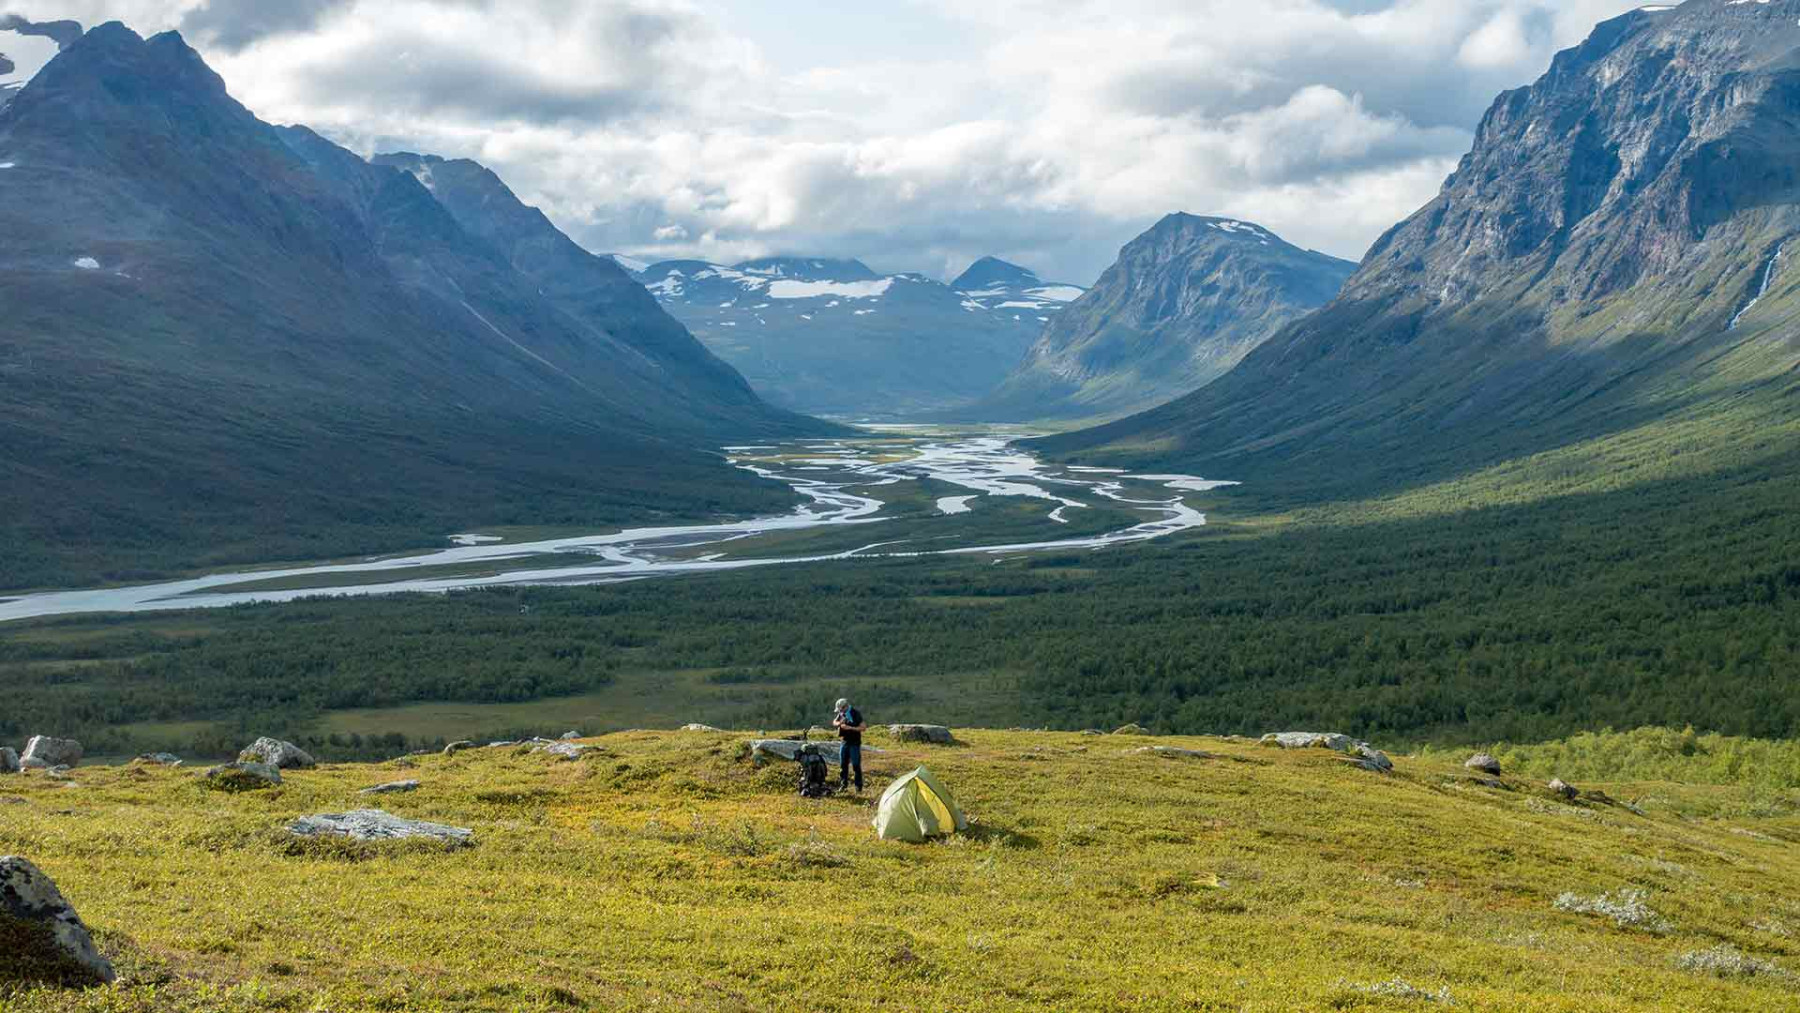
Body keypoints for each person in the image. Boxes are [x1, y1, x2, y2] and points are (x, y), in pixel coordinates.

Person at [833, 697, 866, 792]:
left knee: (856, 765)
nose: (840, 711)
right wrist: (839, 723)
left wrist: (850, 728)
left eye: (840, 709)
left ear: (845, 707)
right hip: (844, 742)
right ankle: (843, 785)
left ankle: (858, 787)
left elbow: (863, 727)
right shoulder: (841, 714)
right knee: (843, 764)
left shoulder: (855, 713)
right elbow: (834, 722)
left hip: (854, 743)